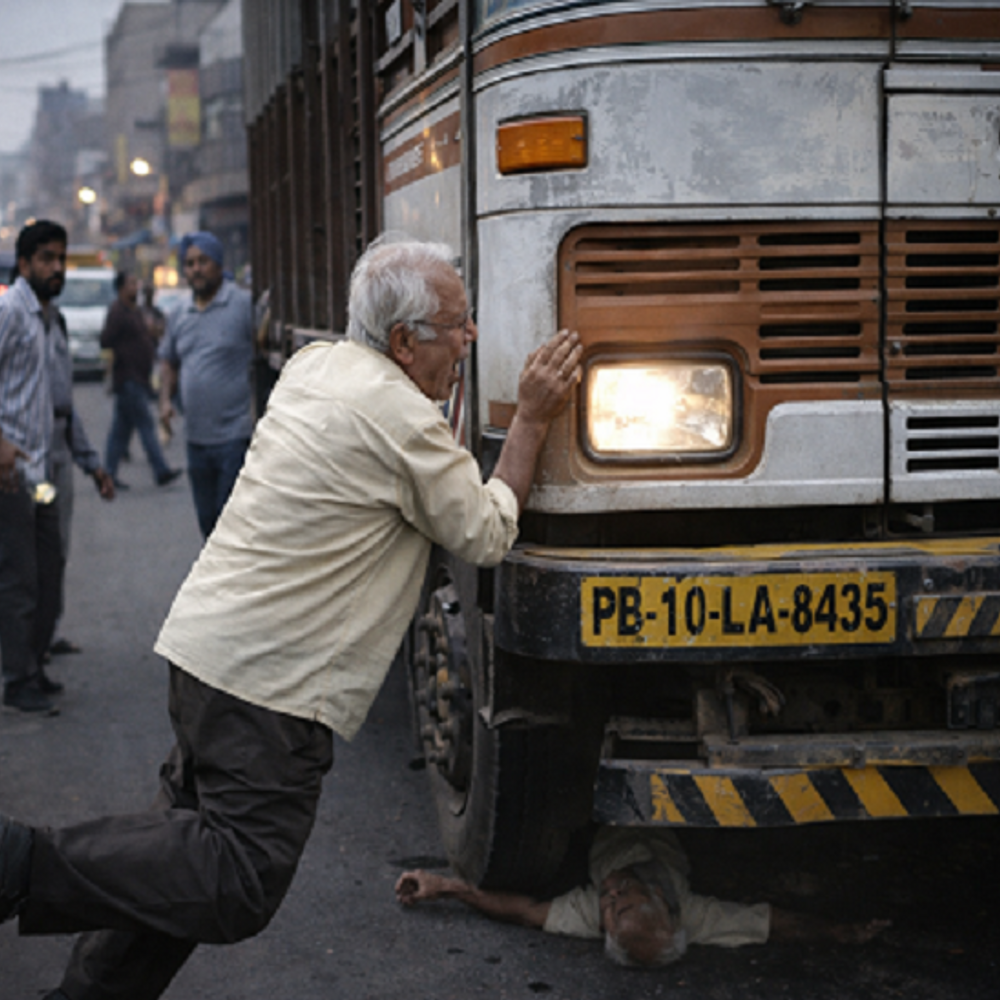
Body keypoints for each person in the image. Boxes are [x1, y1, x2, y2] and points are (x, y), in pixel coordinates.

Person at [0, 236, 583, 1000]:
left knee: (169, 872)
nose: (472, 338)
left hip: (210, 654)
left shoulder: (318, 369)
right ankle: (19, 861)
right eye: (458, 325)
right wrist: (534, 418)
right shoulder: (401, 421)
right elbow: (485, 531)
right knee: (233, 880)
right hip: (267, 688)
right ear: (404, 343)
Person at [396, 827, 891, 967]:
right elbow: (772, 924)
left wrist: (447, 887)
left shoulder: (591, 917)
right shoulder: (693, 919)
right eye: (625, 899)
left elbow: (524, 912)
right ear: (663, 904)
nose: (611, 895)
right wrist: (839, 931)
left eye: (610, 907)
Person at [0, 221, 83, 715]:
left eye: (61, 259)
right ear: (26, 263)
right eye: (47, 259)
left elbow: (57, 400)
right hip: (11, 477)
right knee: (19, 579)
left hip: (42, 477)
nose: (57, 268)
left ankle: (34, 662)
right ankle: (17, 678)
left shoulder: (47, 318)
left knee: (48, 571)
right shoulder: (11, 311)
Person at [158, 230, 254, 538]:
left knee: (230, 527)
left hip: (235, 437)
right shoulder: (179, 314)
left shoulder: (242, 305)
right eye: (189, 264)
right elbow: (169, 361)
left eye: (203, 261)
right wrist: (164, 403)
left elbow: (264, 352)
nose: (195, 269)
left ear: (218, 264)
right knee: (207, 522)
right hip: (196, 439)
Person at [46, 287, 115, 661]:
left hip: (57, 458)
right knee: (28, 558)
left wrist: (92, 464)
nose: (56, 268)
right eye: (46, 259)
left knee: (55, 549)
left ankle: (44, 631)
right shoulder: (12, 319)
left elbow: (64, 407)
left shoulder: (55, 323)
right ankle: (24, 654)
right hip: (24, 464)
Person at [101, 270, 181, 490]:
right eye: (131, 283)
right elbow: (105, 339)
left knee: (120, 430)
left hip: (138, 377)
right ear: (121, 288)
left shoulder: (134, 311)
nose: (136, 287)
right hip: (128, 378)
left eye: (136, 283)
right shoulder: (117, 312)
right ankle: (160, 469)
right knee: (145, 425)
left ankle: (108, 473)